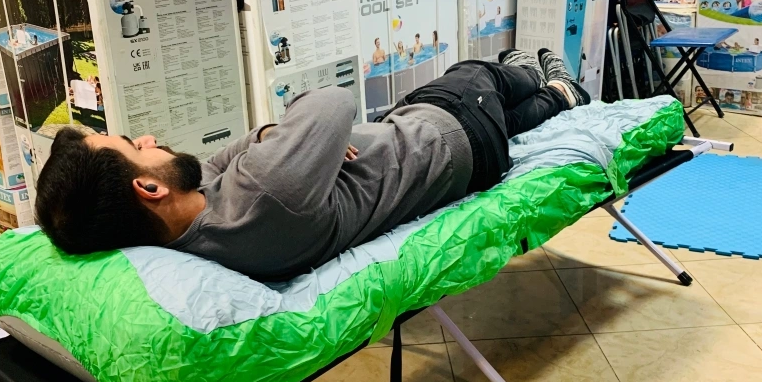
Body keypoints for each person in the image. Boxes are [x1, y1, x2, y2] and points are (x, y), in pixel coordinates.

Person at [34, 50, 590, 282]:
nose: (150, 138)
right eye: (135, 145)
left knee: (502, 119)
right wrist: (301, 139)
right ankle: (535, 74)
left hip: (454, 152)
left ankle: (561, 96)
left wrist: (282, 140)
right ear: (150, 188)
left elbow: (211, 163)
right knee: (477, 75)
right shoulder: (268, 191)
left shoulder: (191, 228)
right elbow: (332, 101)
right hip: (445, 138)